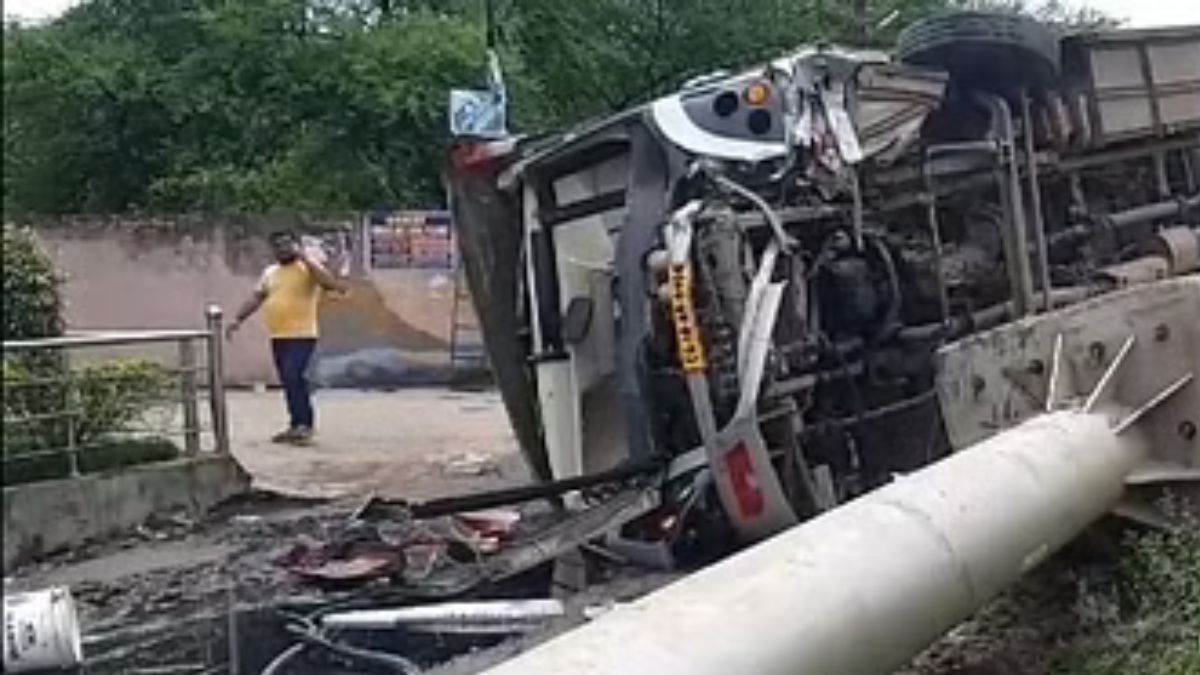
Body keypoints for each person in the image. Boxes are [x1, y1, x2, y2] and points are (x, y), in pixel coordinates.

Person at [226, 230, 345, 445]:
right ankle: (295, 424)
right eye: (278, 245)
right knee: (289, 381)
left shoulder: (307, 269)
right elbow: (257, 297)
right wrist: (238, 319)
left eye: (287, 244)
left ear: (296, 245)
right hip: (279, 335)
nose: (283, 249)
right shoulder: (271, 272)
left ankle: (304, 425)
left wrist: (305, 258)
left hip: (303, 334)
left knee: (293, 375)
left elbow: (330, 284)